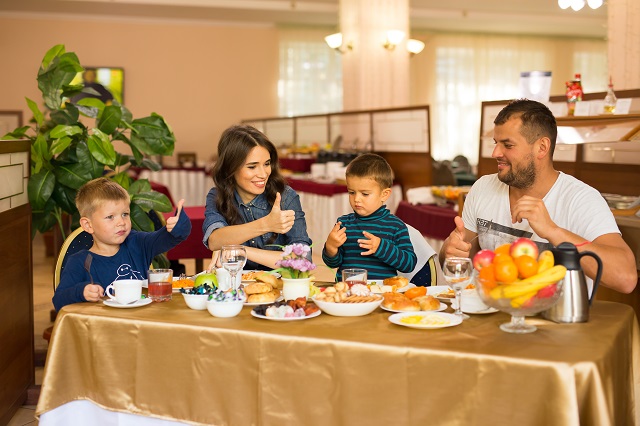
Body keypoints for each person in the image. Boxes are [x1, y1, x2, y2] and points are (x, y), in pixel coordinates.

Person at [439, 99, 637, 294]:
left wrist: (552, 231)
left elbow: (626, 279)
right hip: (487, 310)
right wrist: (449, 250)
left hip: (556, 315)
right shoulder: (483, 187)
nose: (495, 153)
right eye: (496, 143)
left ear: (542, 147)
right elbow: (459, 260)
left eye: (507, 145)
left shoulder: (582, 199)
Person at [52, 177, 191, 310]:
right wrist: (81, 292)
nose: (121, 222)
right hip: (104, 325)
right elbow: (59, 300)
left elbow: (169, 238)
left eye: (125, 214)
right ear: (88, 225)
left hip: (142, 321)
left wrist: (179, 226)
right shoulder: (79, 262)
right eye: (110, 217)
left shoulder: (138, 243)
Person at [203, 124, 311, 271]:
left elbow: (303, 260)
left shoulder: (285, 196)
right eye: (252, 166)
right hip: (237, 283)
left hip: (280, 283)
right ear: (230, 168)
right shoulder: (217, 195)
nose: (263, 174)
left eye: (267, 164)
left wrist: (241, 251)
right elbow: (214, 241)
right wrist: (266, 224)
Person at [322, 153, 417, 281]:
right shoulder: (343, 223)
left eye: (365, 194)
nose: (356, 199)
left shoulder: (396, 226)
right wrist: (331, 247)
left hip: (381, 291)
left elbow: (409, 264)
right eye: (351, 192)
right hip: (347, 290)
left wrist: (381, 247)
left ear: (384, 194)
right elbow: (333, 263)